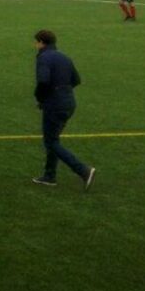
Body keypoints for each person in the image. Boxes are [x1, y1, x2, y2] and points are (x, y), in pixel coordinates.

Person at [31, 30, 95, 189]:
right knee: (53, 139)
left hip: (55, 104)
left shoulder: (43, 57)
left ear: (40, 42)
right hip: (69, 102)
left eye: (36, 42)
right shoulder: (64, 56)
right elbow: (76, 80)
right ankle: (49, 175)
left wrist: (40, 98)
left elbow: (43, 82)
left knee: (50, 141)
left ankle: (83, 170)